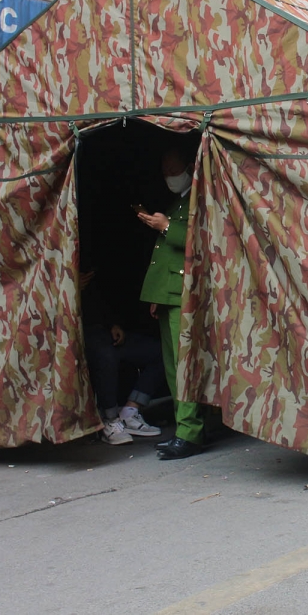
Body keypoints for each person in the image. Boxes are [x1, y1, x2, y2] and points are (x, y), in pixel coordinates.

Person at [138, 147, 205, 460]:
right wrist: (157, 295)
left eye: (173, 168)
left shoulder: (200, 197)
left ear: (189, 166)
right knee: (170, 366)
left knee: (183, 365)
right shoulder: (177, 201)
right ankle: (182, 428)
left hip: (185, 295)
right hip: (169, 295)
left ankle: (190, 432)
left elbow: (198, 240)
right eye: (164, 171)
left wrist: (165, 226)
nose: (169, 176)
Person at [80, 268, 165, 445]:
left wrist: (113, 323)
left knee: (159, 352)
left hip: (104, 330)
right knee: (106, 355)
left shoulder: (90, 270)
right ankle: (109, 419)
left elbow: (98, 300)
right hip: (79, 335)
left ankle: (129, 412)